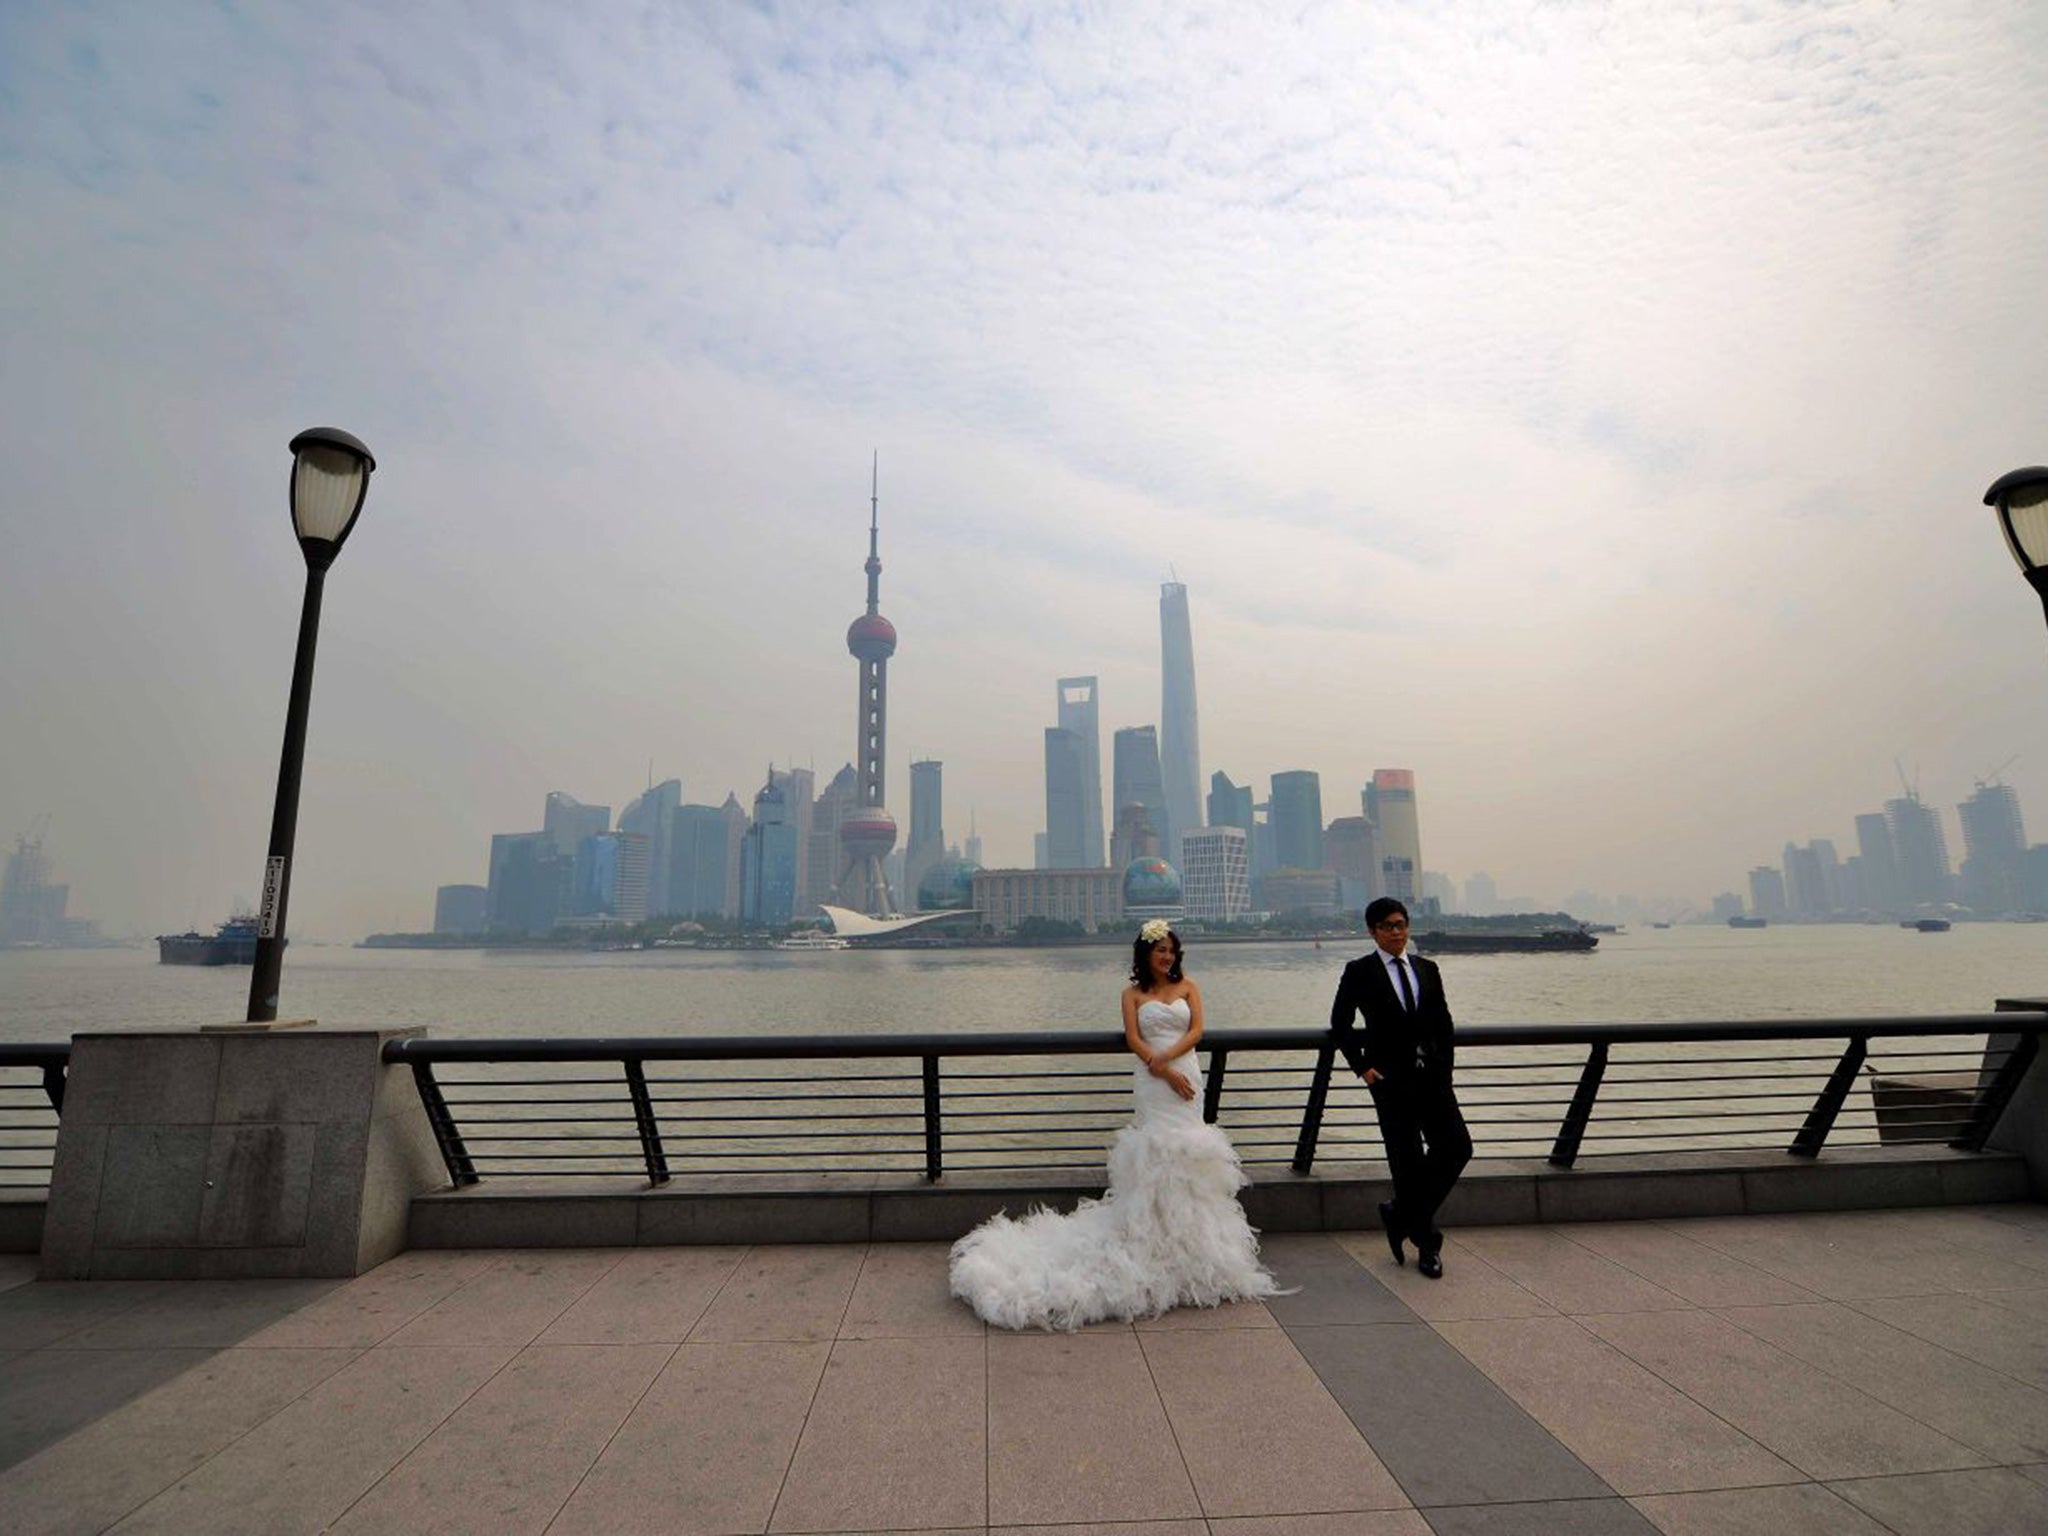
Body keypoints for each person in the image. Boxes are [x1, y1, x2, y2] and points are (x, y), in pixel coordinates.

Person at [949, 918, 1286, 1330]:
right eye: (1159, 950)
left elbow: (1197, 1029)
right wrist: (1159, 1067)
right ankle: (1151, 1241)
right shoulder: (1131, 994)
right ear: (1145, 955)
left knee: (1189, 1153)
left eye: (1171, 950)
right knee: (1156, 1152)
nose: (1167, 956)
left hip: (1186, 1073)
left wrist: (1171, 1060)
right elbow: (1133, 1038)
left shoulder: (1188, 987)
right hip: (1153, 1081)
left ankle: (1193, 1250)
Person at [1329, 897, 1471, 1279]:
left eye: (1401, 924)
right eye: (1388, 926)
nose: (1396, 931)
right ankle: (1427, 1246)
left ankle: (1400, 1213)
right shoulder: (1360, 971)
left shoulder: (1428, 968)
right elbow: (1339, 1024)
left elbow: (1444, 1023)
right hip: (1390, 1083)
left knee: (1458, 1146)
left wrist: (1446, 1069)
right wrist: (1363, 1068)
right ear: (1373, 931)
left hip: (1433, 1079)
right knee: (1406, 1163)